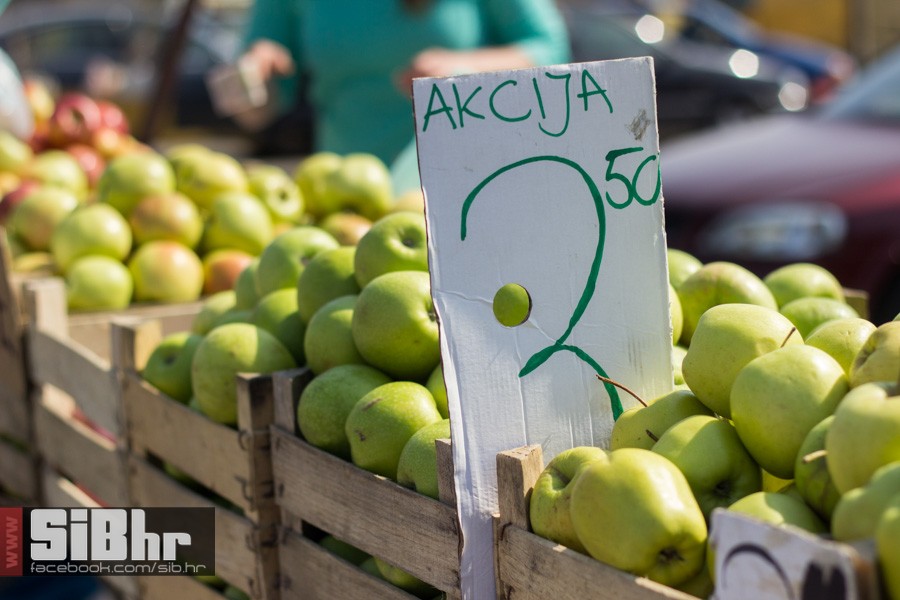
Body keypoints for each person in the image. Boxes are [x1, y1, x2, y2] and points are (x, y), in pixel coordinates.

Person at [239, 0, 571, 192]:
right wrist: (252, 81)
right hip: (339, 197)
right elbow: (257, 112)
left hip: (468, 189)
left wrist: (465, 66)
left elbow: (551, 50)